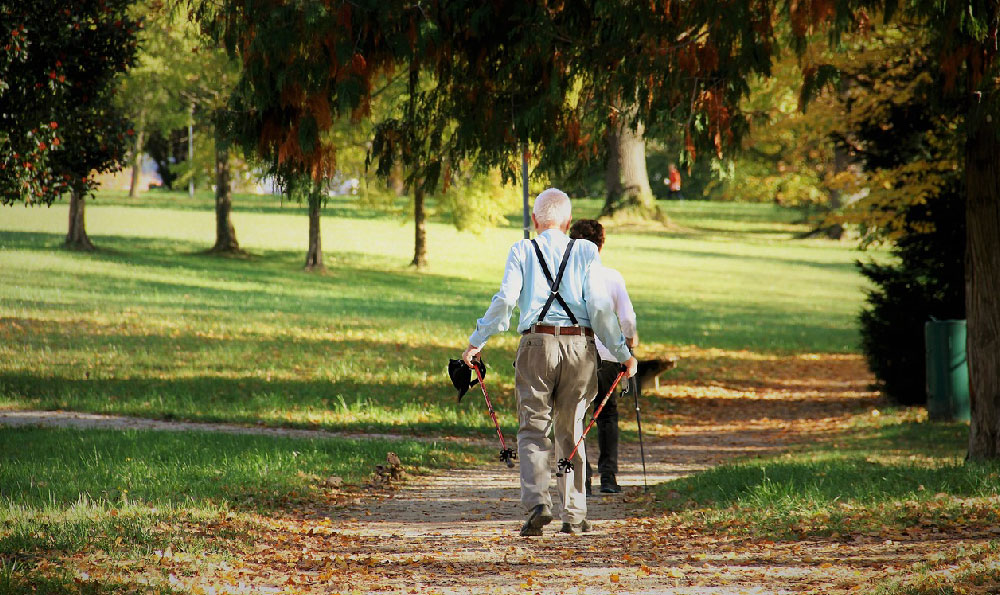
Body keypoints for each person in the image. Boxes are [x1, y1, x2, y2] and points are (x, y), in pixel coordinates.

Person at [461, 188, 638, 537]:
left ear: (535, 221)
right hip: (579, 346)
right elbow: (601, 310)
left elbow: (505, 301)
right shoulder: (586, 251)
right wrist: (623, 354)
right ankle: (574, 513)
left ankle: (538, 503)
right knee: (571, 430)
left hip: (536, 344)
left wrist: (475, 342)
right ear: (569, 222)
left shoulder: (522, 250)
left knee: (532, 428)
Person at [568, 219, 636, 495]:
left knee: (576, 414)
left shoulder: (567, 278)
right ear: (601, 245)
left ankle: (581, 479)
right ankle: (609, 477)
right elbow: (628, 318)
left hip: (575, 352)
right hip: (608, 354)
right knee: (607, 415)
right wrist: (629, 347)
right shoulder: (611, 277)